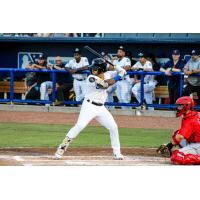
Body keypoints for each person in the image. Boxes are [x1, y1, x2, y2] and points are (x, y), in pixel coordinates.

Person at [55, 58, 126, 160]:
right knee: (79, 126)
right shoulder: (91, 78)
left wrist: (119, 68)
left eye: (96, 69)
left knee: (113, 127)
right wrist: (121, 74)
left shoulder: (107, 74)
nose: (94, 70)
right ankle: (62, 147)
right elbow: (106, 84)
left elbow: (113, 71)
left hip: (101, 108)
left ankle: (117, 153)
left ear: (102, 69)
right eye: (93, 68)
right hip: (89, 106)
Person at [157, 96, 200, 165]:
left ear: (187, 106)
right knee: (176, 133)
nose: (178, 108)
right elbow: (180, 136)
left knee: (176, 157)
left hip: (198, 145)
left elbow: (180, 137)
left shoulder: (191, 119)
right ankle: (189, 150)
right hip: (194, 142)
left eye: (180, 106)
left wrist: (169, 145)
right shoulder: (191, 115)